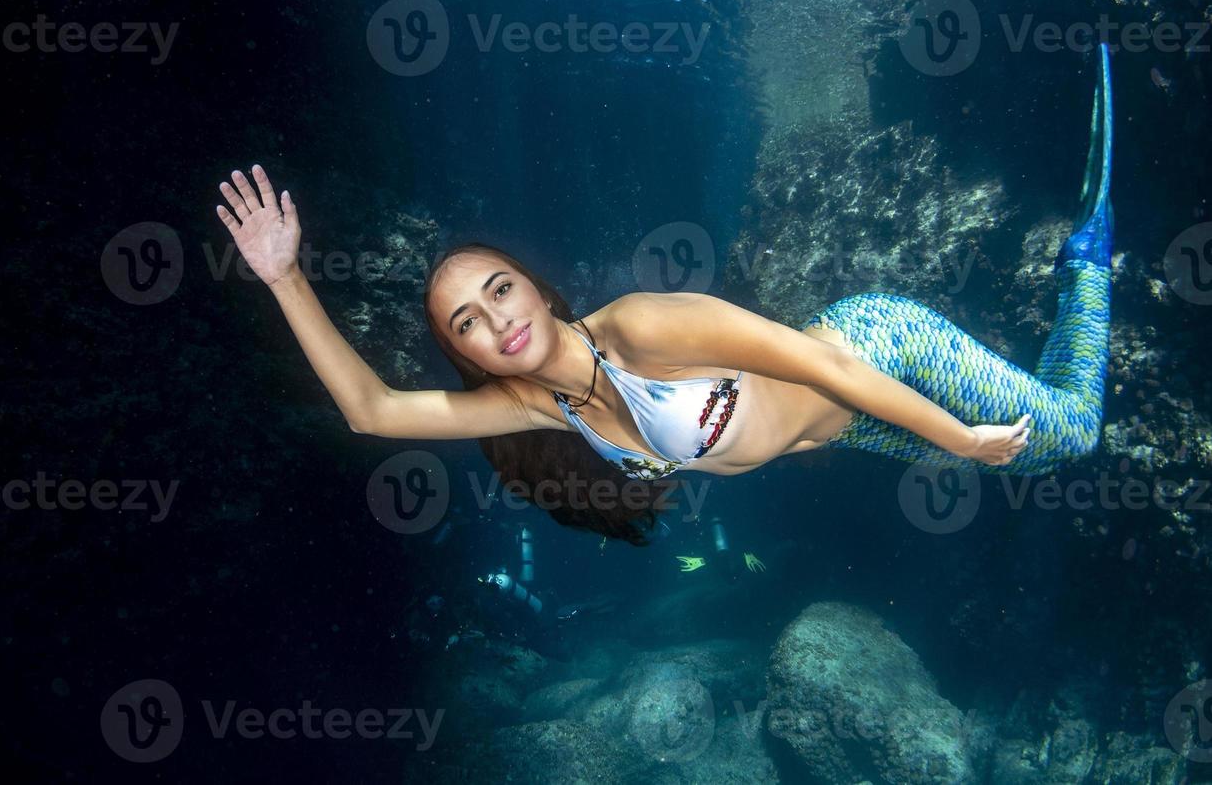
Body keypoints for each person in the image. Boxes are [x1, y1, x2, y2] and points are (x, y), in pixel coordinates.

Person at [214, 46, 1115, 546]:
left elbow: (826, 364)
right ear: (468, 353)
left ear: (535, 285)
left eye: (501, 290)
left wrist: (956, 437)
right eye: (468, 323)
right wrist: (285, 276)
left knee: (1072, 435)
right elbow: (371, 410)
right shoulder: (539, 408)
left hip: (879, 353)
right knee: (1040, 450)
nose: (498, 319)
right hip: (858, 426)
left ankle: (1089, 263)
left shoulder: (641, 326)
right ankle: (1060, 320)